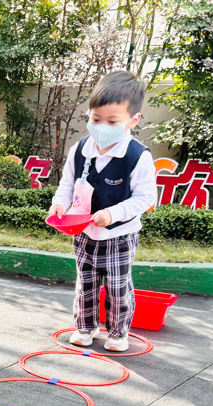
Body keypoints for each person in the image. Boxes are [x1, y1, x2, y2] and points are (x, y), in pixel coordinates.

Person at [48, 71, 157, 352]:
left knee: (118, 287)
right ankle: (86, 328)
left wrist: (113, 213)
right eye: (96, 119)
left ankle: (118, 333)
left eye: (112, 121)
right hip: (84, 232)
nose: (101, 127)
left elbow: (146, 198)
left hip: (119, 235)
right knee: (86, 284)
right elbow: (67, 184)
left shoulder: (137, 156)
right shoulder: (80, 149)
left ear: (133, 121)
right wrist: (59, 203)